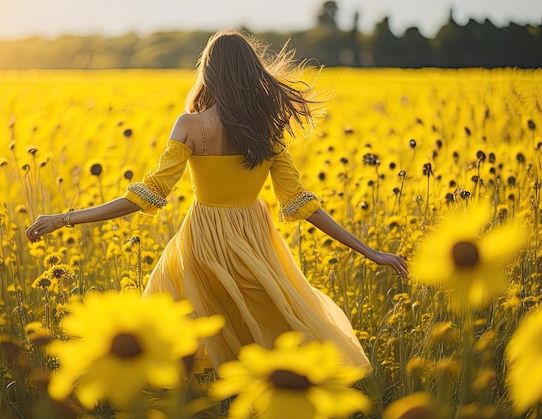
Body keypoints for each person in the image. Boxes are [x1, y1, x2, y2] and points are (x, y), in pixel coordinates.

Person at [26, 28, 408, 373]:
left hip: (203, 240)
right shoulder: (269, 128)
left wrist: (65, 218)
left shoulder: (190, 125)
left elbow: (145, 196)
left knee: (197, 331)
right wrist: (370, 252)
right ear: (251, 73)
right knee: (267, 324)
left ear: (209, 73)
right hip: (256, 240)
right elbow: (303, 205)